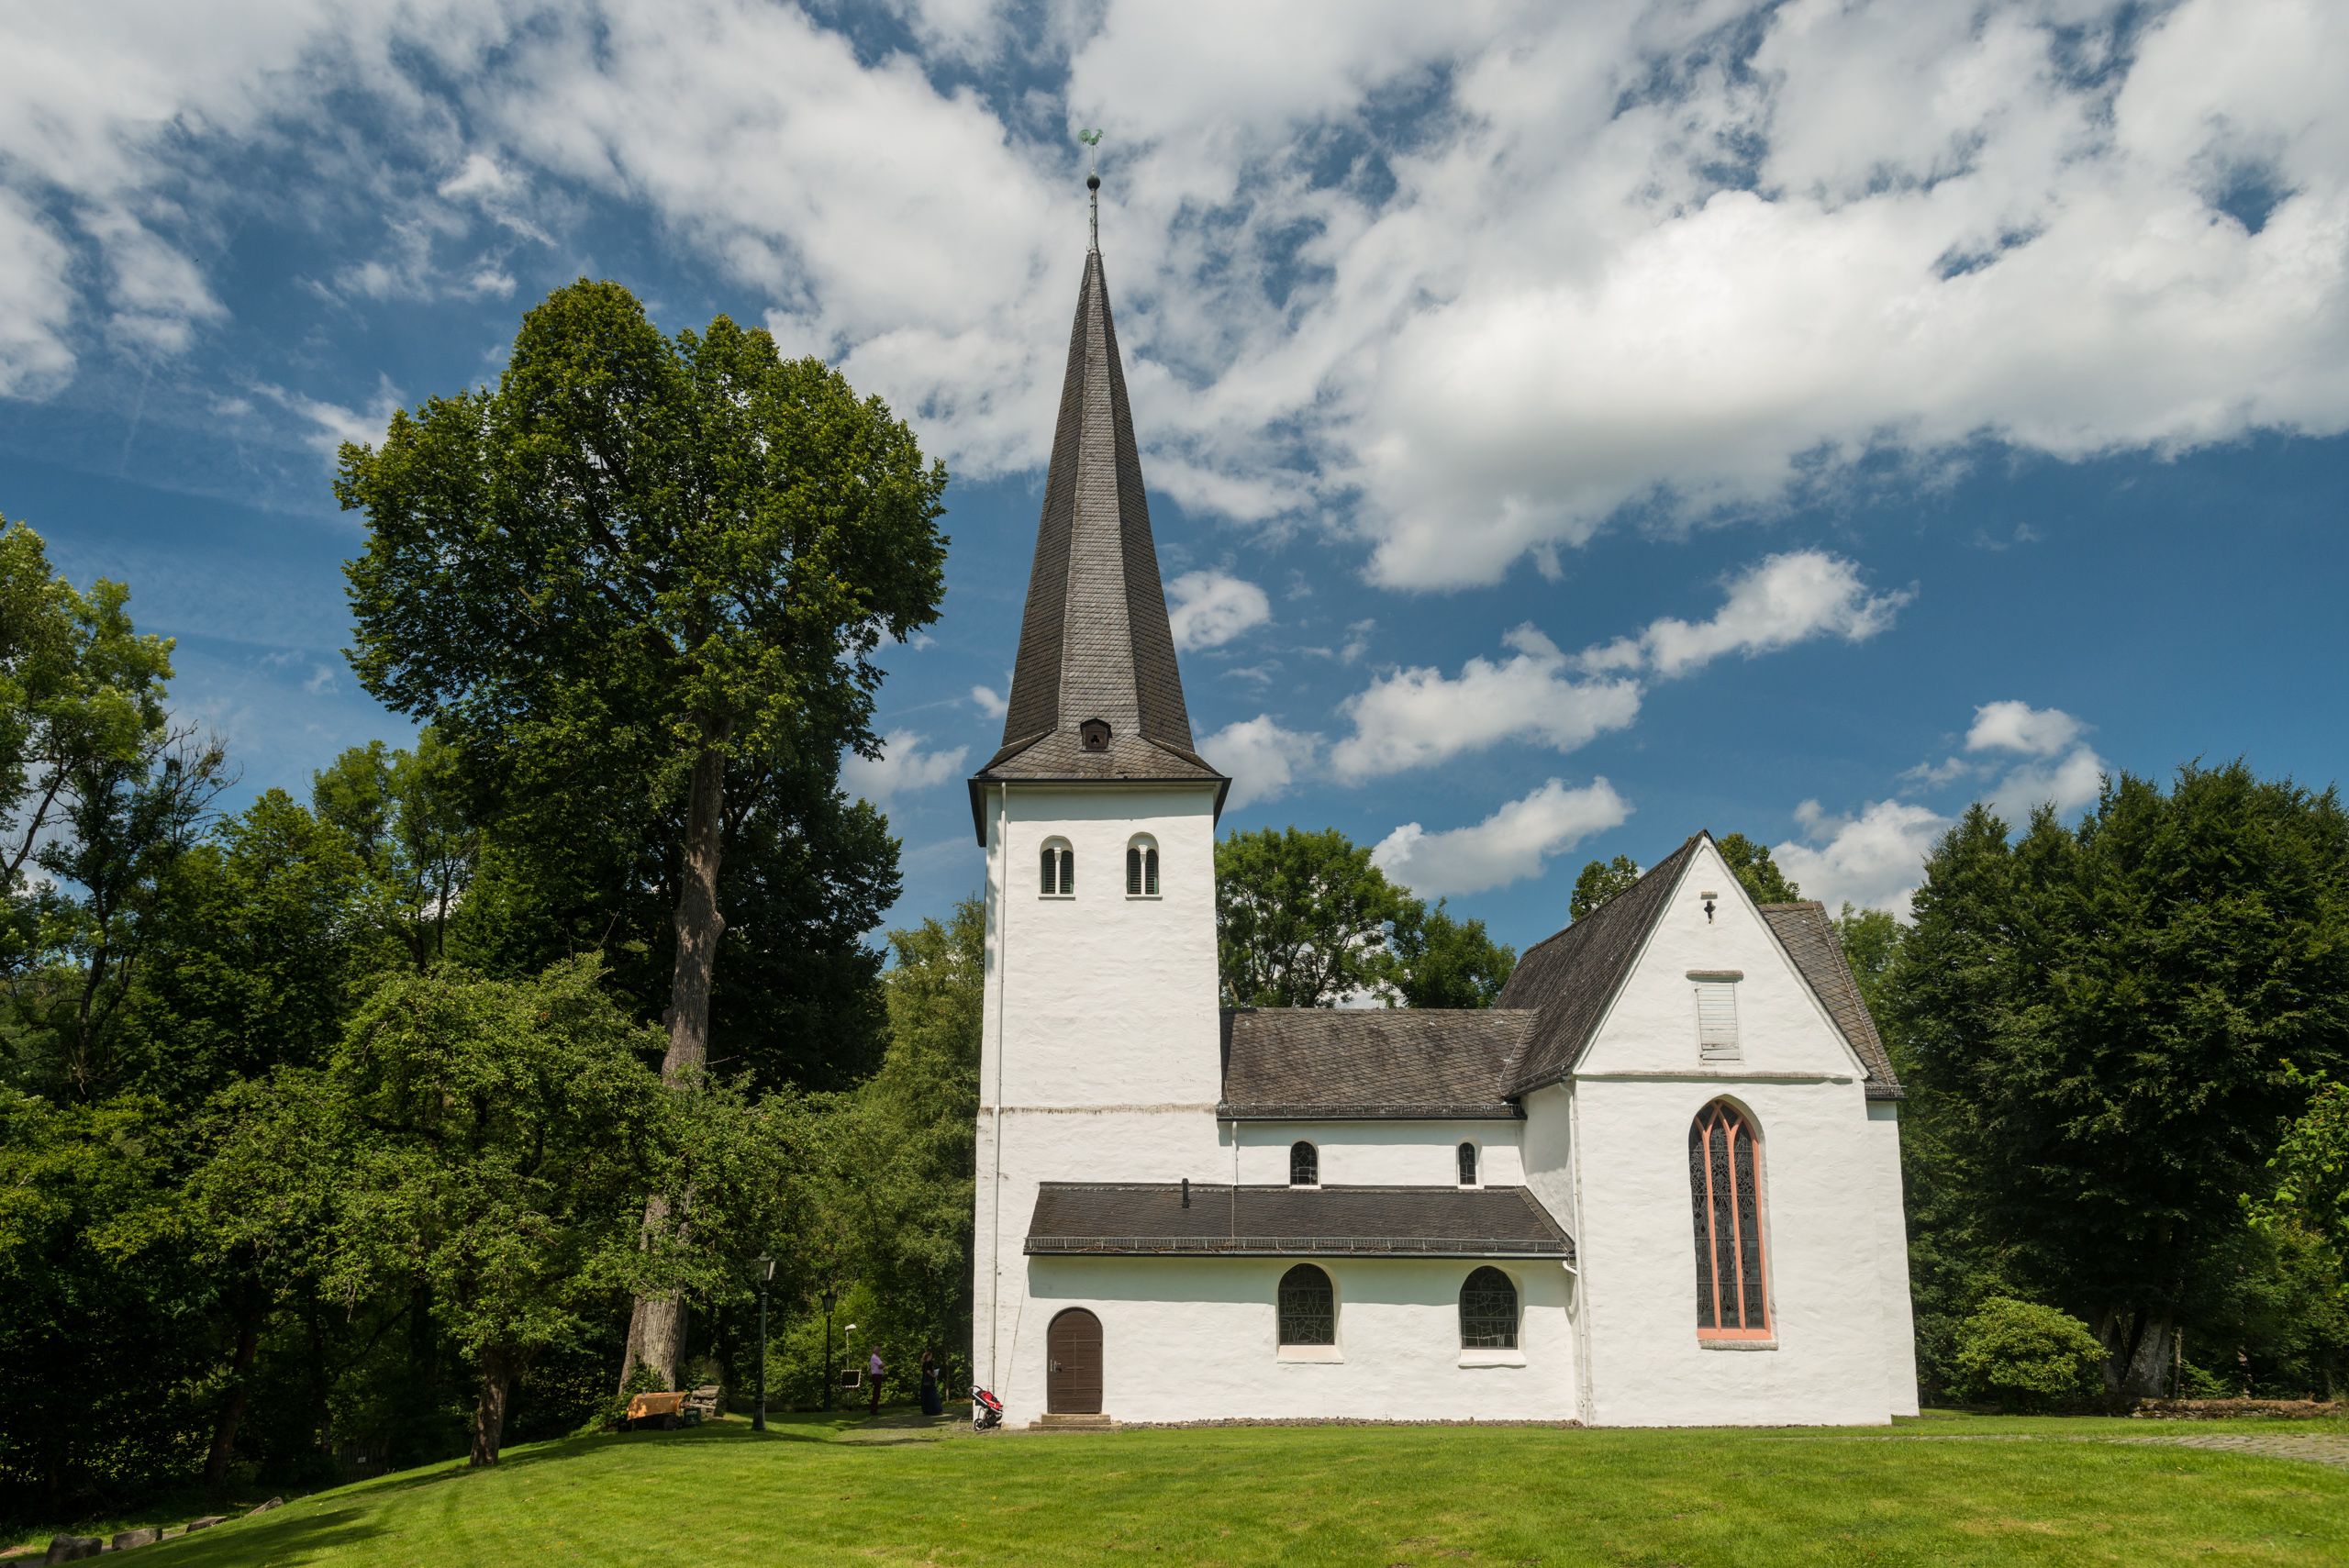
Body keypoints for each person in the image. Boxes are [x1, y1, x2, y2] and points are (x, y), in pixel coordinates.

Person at [919, 1351, 941, 1418]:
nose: (932, 1357)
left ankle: (926, 1410)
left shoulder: (923, 1363)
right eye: (931, 1356)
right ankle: (934, 1410)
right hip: (929, 1381)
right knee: (932, 1396)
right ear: (928, 1356)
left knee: (925, 1396)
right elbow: (928, 1371)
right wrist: (934, 1376)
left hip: (924, 1381)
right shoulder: (929, 1363)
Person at [866, 1349, 884, 1416]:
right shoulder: (875, 1357)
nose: (880, 1352)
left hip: (877, 1376)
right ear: (876, 1351)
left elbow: (881, 1366)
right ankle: (873, 1410)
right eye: (879, 1350)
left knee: (876, 1393)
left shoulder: (875, 1357)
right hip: (876, 1376)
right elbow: (882, 1365)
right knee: (876, 1393)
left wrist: (881, 1366)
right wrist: (882, 1365)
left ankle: (874, 1409)